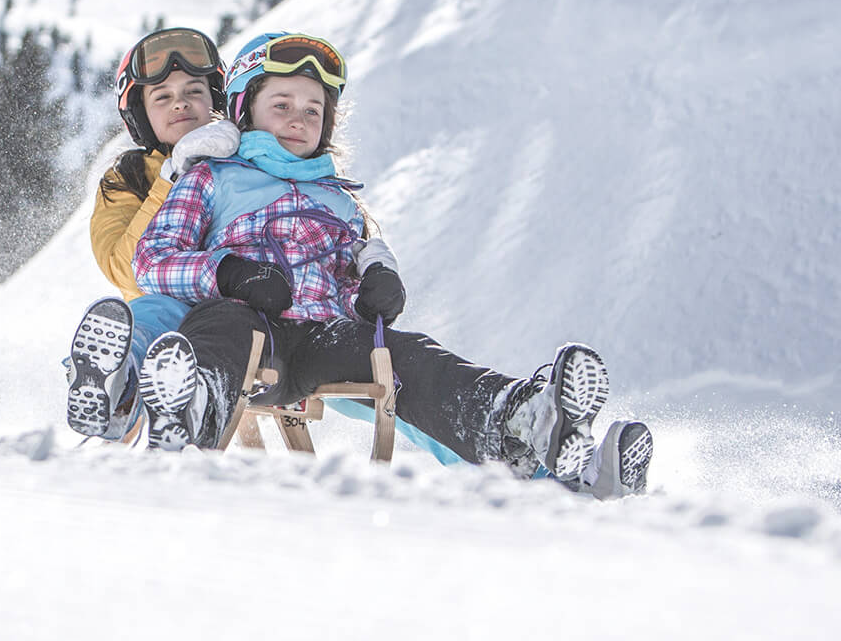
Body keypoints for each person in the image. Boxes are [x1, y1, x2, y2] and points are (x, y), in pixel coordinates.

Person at [130, 29, 651, 495]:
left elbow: (357, 267)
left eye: (313, 110)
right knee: (225, 325)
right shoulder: (212, 177)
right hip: (246, 330)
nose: (298, 118)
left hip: (319, 336)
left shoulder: (338, 200)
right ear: (245, 109)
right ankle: (189, 411)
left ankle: (523, 421)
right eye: (282, 103)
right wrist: (228, 273)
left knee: (406, 355)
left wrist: (377, 282)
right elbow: (151, 260)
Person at [63, 27, 240, 441]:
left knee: (207, 326)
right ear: (142, 114)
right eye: (162, 96)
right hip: (165, 310)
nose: (180, 102)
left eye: (194, 90)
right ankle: (113, 384)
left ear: (216, 99)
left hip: (238, 310)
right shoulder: (127, 179)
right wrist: (172, 176)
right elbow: (125, 270)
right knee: (151, 313)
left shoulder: (249, 159)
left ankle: (152, 402)